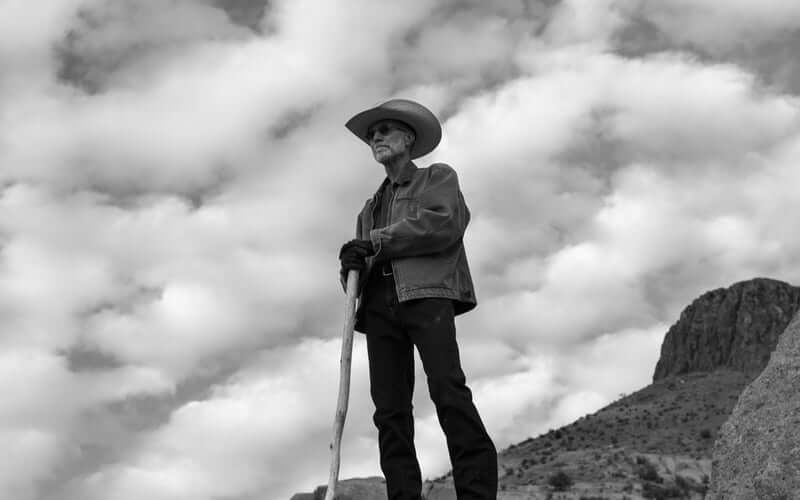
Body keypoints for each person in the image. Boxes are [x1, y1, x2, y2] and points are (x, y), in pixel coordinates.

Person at [338, 99, 497, 500]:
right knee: (389, 413)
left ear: (408, 138)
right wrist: (350, 264)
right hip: (377, 309)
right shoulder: (368, 209)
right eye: (372, 135)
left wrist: (374, 242)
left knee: (448, 390)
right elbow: (358, 273)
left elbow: (442, 224)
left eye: (385, 131)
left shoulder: (436, 178)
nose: (376, 138)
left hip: (426, 297)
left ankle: (476, 494)